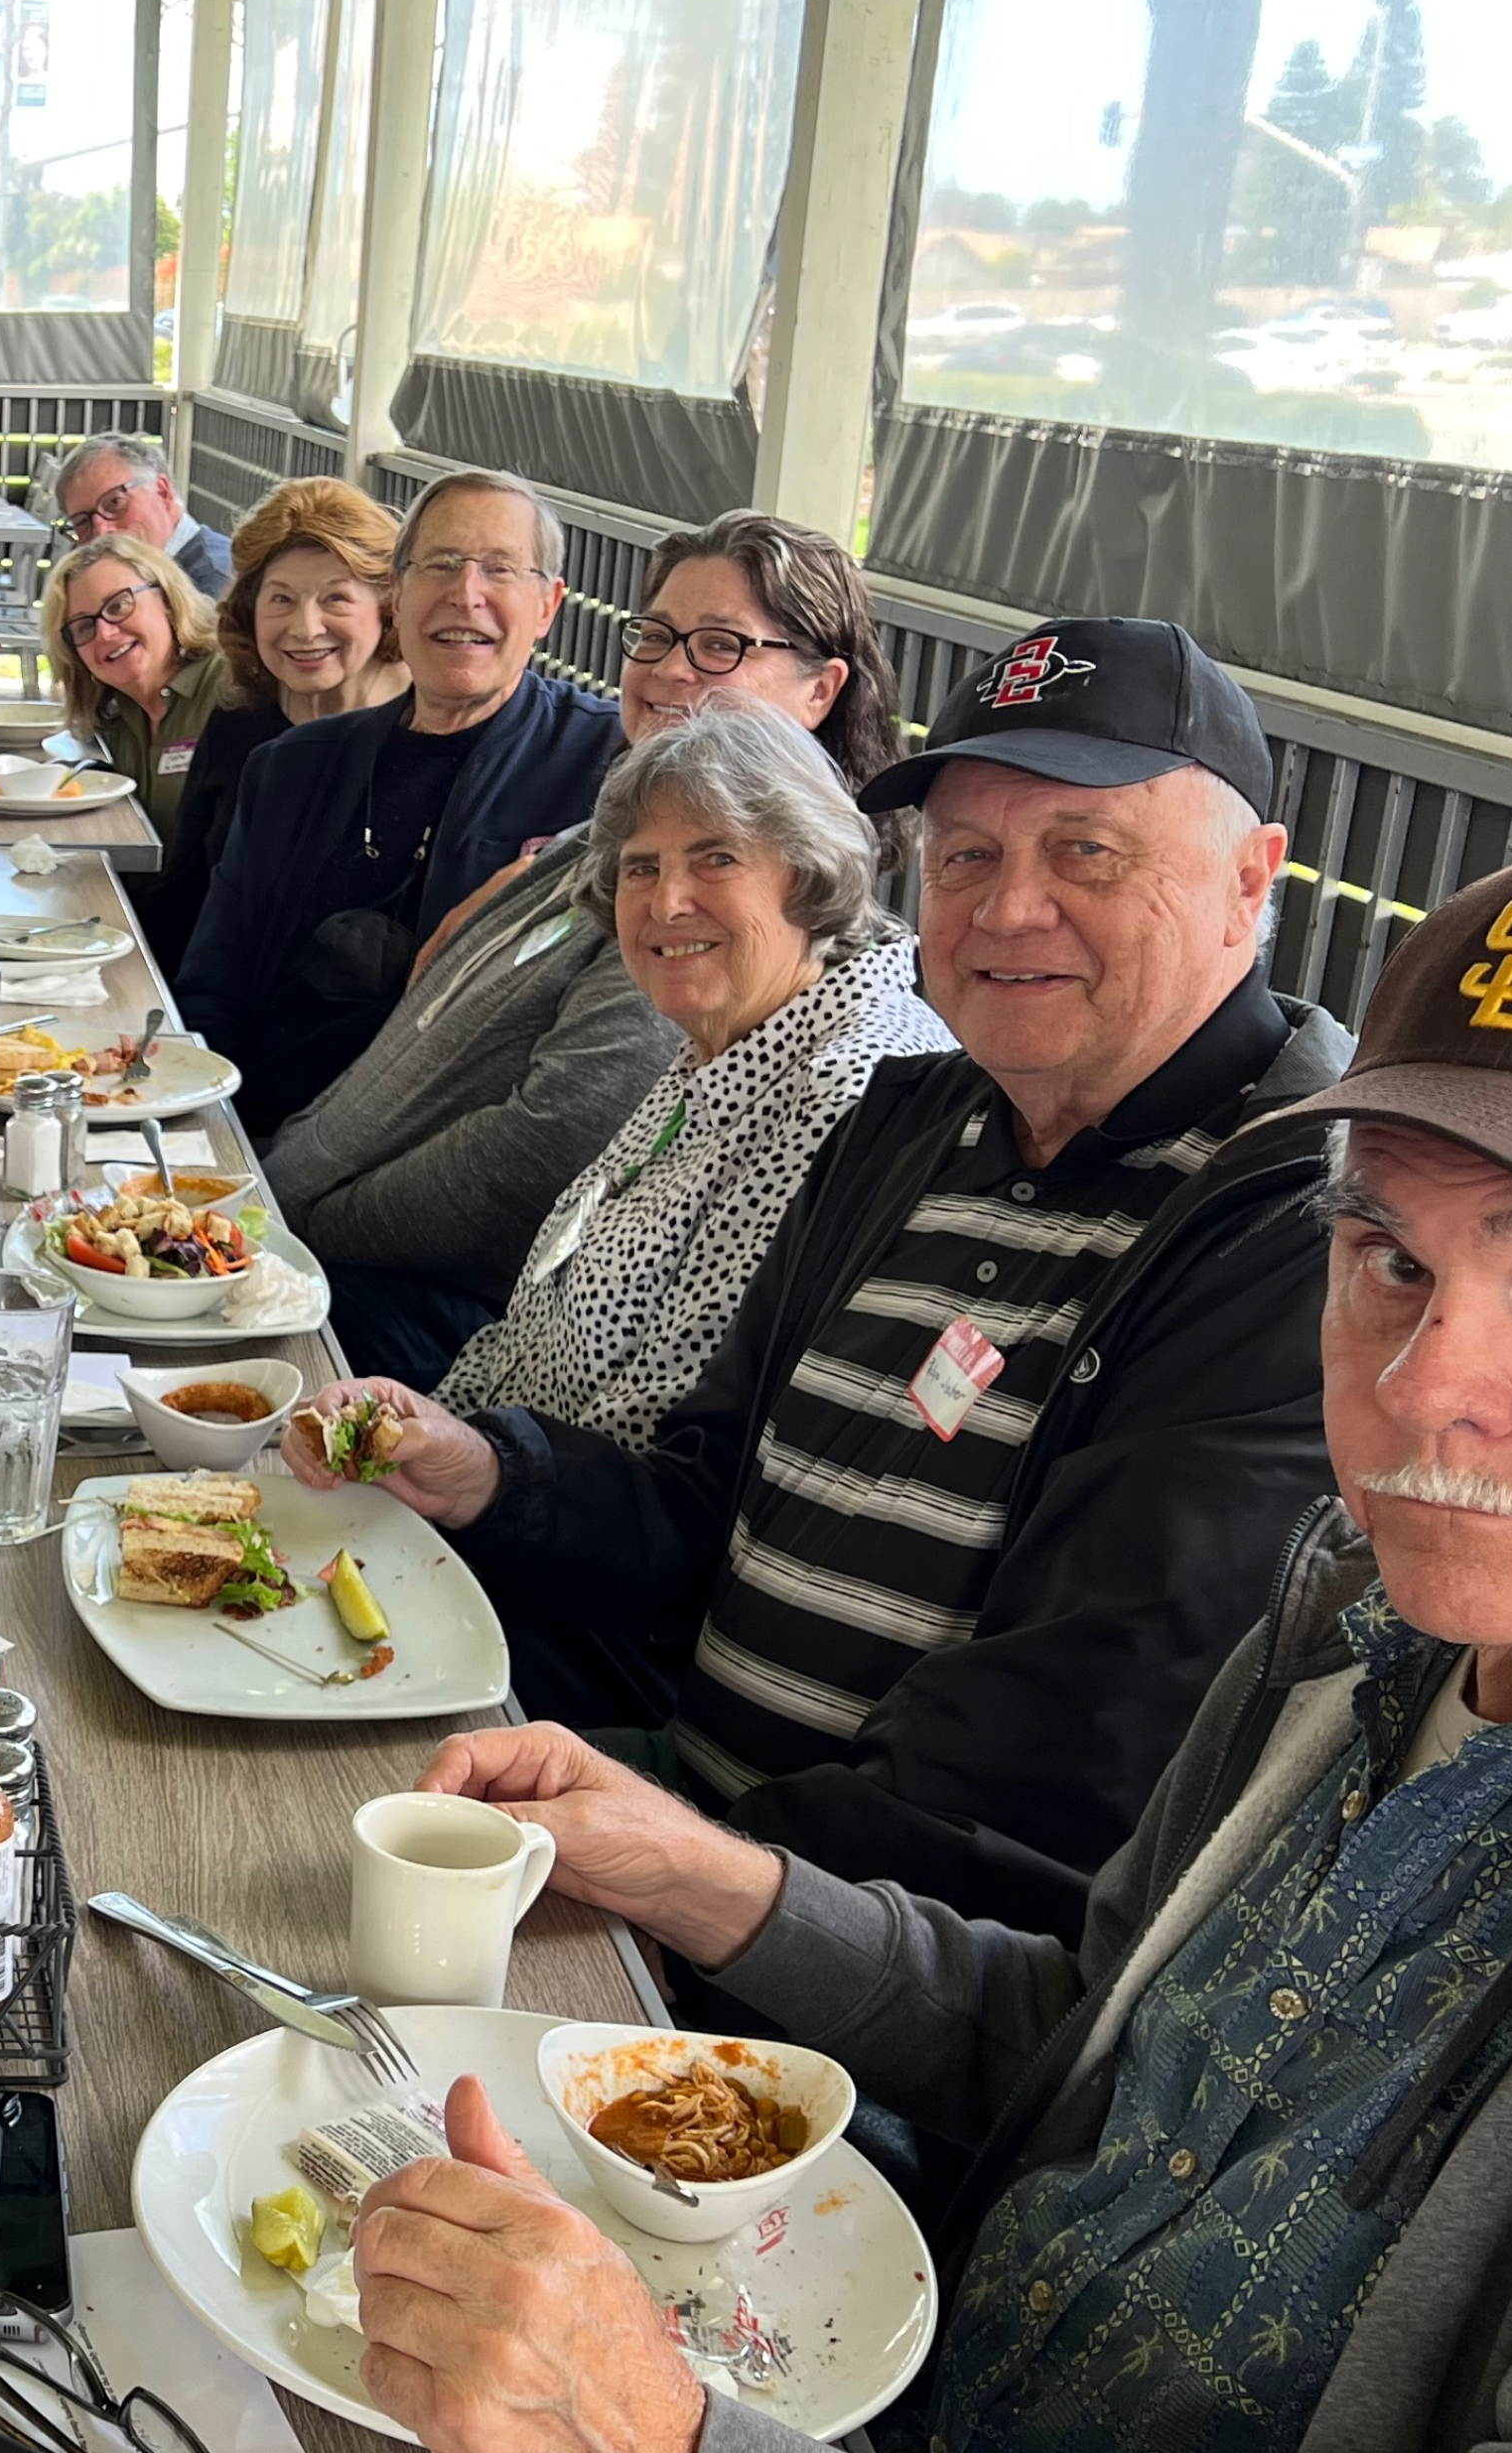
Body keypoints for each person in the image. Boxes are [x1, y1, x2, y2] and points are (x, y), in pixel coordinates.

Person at [358, 824, 1512, 2453]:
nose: (1426, 1381)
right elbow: (1103, 2045)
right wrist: (715, 1879)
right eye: (1389, 1257)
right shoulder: (1368, 1617)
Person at [293, 619, 1348, 1942]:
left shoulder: (1298, 1226)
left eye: (1086, 851)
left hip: (877, 1963)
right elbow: (707, 1502)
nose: (1011, 908)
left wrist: (683, 1873)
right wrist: (497, 1471)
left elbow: (1061, 1759)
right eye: (969, 855)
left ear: (1251, 884)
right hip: (695, 1810)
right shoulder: (915, 1125)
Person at [315, 707, 948, 1722]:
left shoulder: (844, 1088)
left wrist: (466, 1466)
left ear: (808, 872)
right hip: (506, 1508)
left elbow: (669, 1450)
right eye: (643, 868)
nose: (667, 900)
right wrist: (427, 1426)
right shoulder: (717, 1046)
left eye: (716, 858)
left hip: (602, 1620)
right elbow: (543, 1322)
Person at [268, 507, 900, 1379]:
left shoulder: (730, 925)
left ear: (820, 691)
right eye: (658, 635)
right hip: (400, 1284)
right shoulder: (601, 844)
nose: (674, 669)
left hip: (448, 1312)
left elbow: (542, 1148)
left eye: (721, 645)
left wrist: (298, 1226)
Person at [175, 471, 624, 1135]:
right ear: (399, 592)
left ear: (547, 607)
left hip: (434, 1162)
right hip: (251, 1135)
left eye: (500, 569)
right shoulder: (290, 767)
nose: (465, 594)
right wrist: (200, 1141)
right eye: (440, 564)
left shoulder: (607, 769)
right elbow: (212, 992)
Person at [163, 477, 408, 953]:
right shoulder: (240, 720)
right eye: (281, 599)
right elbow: (183, 899)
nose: (305, 628)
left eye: (336, 598)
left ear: (388, 605)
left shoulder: (425, 730)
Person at [38, 534, 231, 964]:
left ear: (166, 598)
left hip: (209, 944)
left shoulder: (229, 692)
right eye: (84, 627)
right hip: (141, 927)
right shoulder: (112, 717)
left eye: (119, 605)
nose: (106, 632)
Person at [51, 430, 231, 597]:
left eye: (115, 502)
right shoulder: (147, 578)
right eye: (83, 523)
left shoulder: (216, 587)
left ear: (162, 491)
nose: (101, 531)